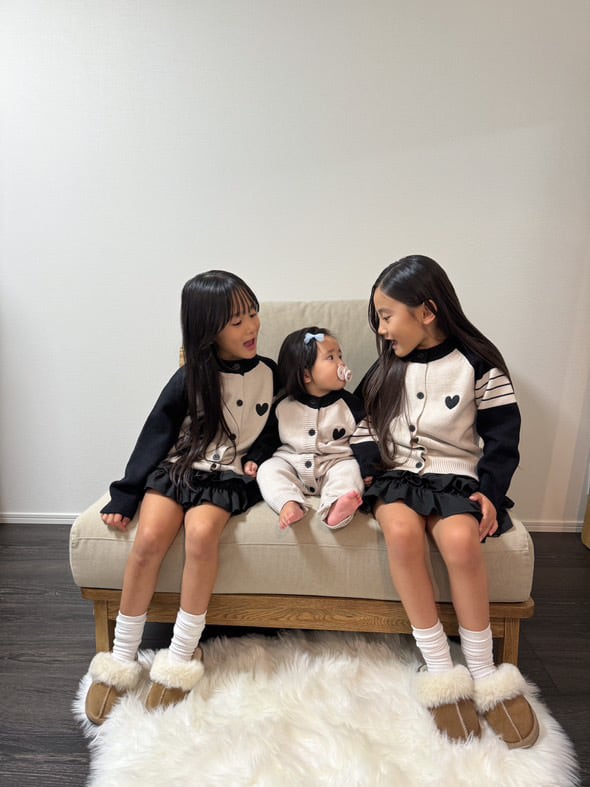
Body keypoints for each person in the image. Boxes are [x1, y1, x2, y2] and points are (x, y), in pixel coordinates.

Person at [358, 255, 539, 748]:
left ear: (427, 311)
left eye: (386, 316)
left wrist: (491, 493)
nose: (381, 329)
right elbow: (362, 422)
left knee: (461, 543)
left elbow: (503, 436)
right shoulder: (387, 365)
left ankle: (483, 670)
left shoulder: (478, 363)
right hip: (396, 477)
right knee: (401, 533)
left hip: (455, 476)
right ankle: (439, 666)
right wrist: (369, 468)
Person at [85, 270, 278, 725]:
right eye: (237, 321)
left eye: (253, 313)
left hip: (228, 476)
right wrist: (126, 494)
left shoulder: (271, 374)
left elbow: (277, 427)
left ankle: (181, 654)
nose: (251, 327)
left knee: (202, 534)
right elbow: (156, 434)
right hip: (180, 469)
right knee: (149, 539)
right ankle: (121, 658)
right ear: (208, 329)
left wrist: (260, 458)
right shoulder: (190, 376)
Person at [250, 327, 379, 530]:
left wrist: (369, 468)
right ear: (306, 375)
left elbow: (365, 436)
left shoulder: (350, 405)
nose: (341, 363)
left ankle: (336, 506)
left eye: (340, 356)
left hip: (334, 464)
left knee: (349, 471)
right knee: (268, 470)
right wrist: (254, 459)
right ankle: (288, 502)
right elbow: (268, 438)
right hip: (292, 464)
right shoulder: (284, 406)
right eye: (331, 358)